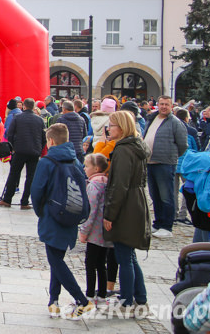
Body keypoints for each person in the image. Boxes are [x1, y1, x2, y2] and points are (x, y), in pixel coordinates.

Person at [31, 123, 94, 320]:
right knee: (56, 257)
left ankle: (83, 300)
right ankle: (53, 302)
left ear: (50, 141)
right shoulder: (75, 161)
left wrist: (40, 211)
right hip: (71, 214)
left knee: (55, 260)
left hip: (52, 214)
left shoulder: (46, 162)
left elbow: (37, 191)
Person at [102, 110, 151, 315]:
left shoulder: (123, 150)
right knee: (129, 255)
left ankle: (127, 301)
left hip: (126, 205)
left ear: (121, 128)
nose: (108, 129)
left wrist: (110, 214)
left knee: (124, 256)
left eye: (111, 125)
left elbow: (119, 185)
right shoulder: (136, 146)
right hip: (136, 201)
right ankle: (140, 298)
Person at [141, 95, 187, 239]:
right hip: (150, 162)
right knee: (155, 195)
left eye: (166, 104)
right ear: (158, 105)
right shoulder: (152, 118)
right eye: (161, 104)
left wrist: (171, 156)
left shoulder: (175, 122)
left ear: (171, 106)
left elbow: (182, 145)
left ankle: (167, 225)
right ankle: (158, 222)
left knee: (166, 196)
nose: (164, 107)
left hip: (165, 163)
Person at [0, 98, 46, 209]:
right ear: (33, 107)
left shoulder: (17, 118)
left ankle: (7, 199)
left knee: (14, 175)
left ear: (24, 106)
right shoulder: (39, 120)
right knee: (31, 177)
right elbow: (44, 138)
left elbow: (9, 134)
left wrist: (13, 147)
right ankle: (25, 201)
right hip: (34, 151)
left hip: (19, 150)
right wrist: (39, 149)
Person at [78, 153, 112, 306]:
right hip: (105, 232)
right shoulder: (107, 183)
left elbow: (90, 211)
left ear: (96, 168)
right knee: (101, 264)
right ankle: (102, 294)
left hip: (94, 232)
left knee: (90, 263)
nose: (84, 168)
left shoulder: (94, 186)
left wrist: (84, 231)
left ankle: (90, 293)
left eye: (87, 166)